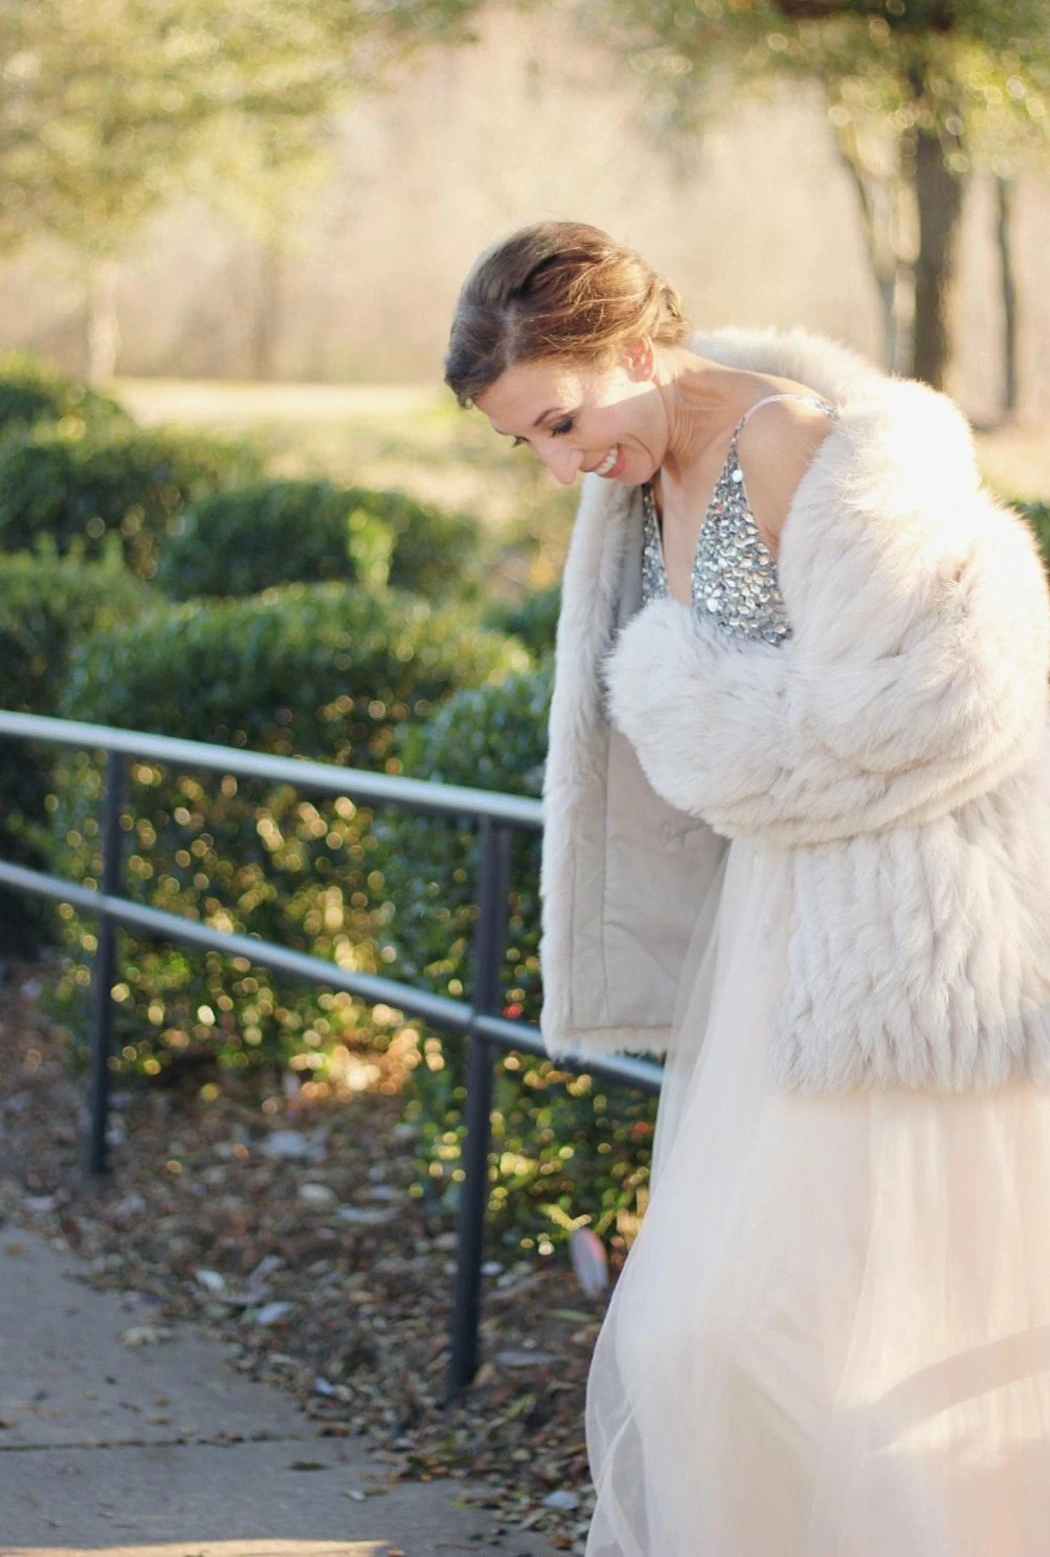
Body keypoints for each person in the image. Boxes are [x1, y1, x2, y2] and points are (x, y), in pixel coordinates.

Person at [444, 220, 1050, 1557]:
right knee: (708, 1327)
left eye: (559, 419)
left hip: (894, 935)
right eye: (523, 446)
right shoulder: (631, 474)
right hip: (768, 925)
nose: (558, 466)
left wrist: (679, 704)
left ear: (632, 347)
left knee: (830, 1329)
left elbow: (927, 710)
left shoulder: (790, 441)